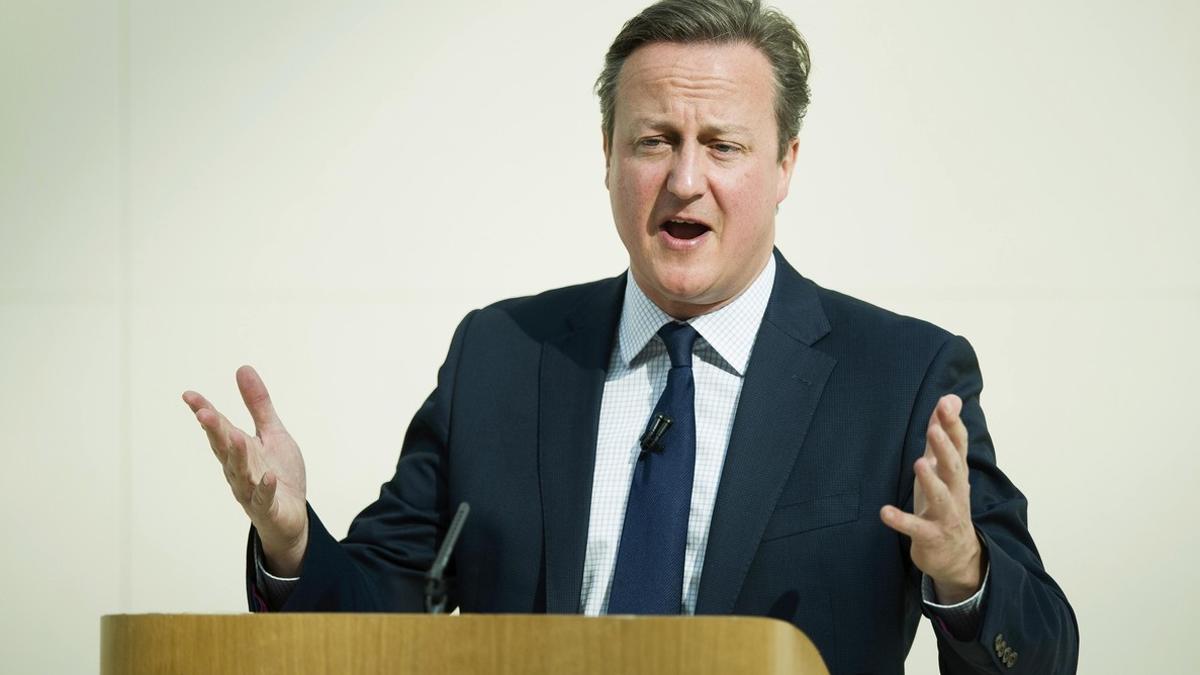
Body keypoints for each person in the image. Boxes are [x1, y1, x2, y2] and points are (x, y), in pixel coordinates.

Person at [182, 0, 1078, 672]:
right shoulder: (501, 357)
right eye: (654, 140)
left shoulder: (902, 378)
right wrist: (294, 544)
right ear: (608, 155)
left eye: (722, 145)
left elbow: (1041, 652)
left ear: (786, 165)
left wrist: (964, 574)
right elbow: (375, 615)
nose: (685, 179)